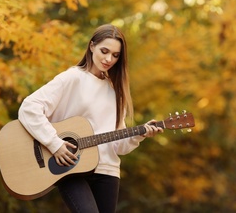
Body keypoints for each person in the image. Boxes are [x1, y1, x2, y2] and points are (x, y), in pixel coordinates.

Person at [18, 24, 163, 212]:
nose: (109, 59)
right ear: (92, 46)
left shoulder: (116, 91)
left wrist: (139, 135)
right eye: (104, 51)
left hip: (108, 171)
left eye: (116, 55)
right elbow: (29, 108)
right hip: (71, 167)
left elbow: (117, 145)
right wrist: (55, 144)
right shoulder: (72, 78)